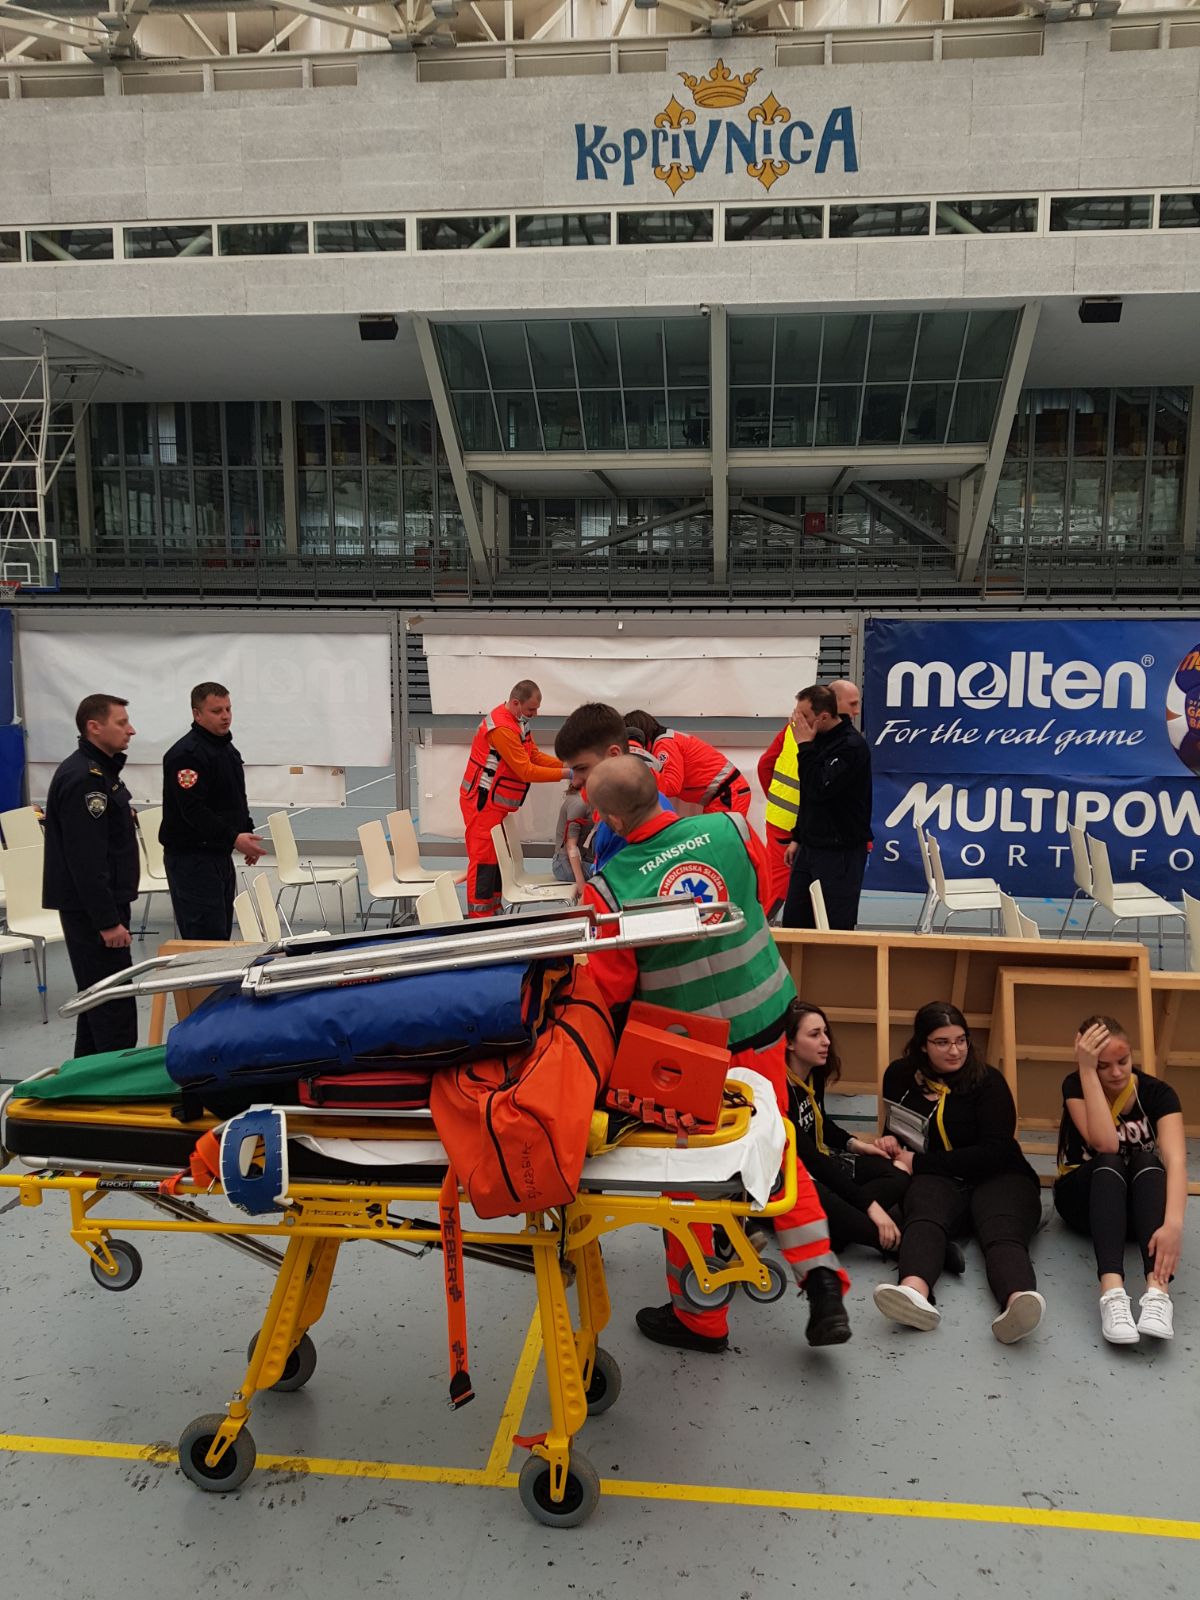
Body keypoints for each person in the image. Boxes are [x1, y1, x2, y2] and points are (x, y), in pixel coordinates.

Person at [582, 755, 851, 1353]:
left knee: (690, 1178)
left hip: (691, 1056)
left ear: (611, 820)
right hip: (765, 1024)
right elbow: (762, 894)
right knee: (775, 1146)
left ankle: (700, 1319)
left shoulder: (610, 888)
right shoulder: (728, 827)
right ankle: (822, 1277)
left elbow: (611, 990)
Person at [872, 1002, 1045, 1343]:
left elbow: (994, 1152)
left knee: (1002, 1232)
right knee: (924, 1217)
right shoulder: (900, 1075)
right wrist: (891, 1141)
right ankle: (913, 1293)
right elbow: (900, 1127)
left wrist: (919, 1164)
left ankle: (1018, 1303)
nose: (955, 1050)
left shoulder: (989, 1083)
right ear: (922, 1044)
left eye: (961, 1040)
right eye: (942, 1042)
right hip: (939, 1179)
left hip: (999, 1175)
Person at [1053, 1016, 1184, 1343]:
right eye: (1103, 1065)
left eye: (1123, 1061)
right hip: (1084, 1202)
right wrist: (1086, 1071)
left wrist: (1173, 1226)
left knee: (1148, 1162)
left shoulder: (1158, 1093)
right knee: (1110, 1161)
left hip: (1136, 1214)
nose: (1115, 1072)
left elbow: (1177, 1162)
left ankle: (1158, 1294)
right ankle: (1112, 1293)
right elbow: (1106, 1144)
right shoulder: (1075, 1084)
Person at [42, 694, 140, 1058]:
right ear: (94, 727)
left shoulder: (100, 772)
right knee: (113, 1011)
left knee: (96, 1004)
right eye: (121, 723)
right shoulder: (86, 779)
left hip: (99, 908)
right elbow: (86, 860)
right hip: (94, 914)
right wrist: (107, 922)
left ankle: (83, 1082)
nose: (131, 730)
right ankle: (113, 1087)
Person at [784, 999, 910, 1258]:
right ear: (789, 1043)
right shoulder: (778, 1091)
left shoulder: (812, 1074)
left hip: (822, 1162)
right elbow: (811, 1159)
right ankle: (908, 1247)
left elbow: (820, 1122)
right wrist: (872, 1207)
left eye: (825, 1032)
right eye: (815, 1034)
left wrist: (857, 1145)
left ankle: (837, 1227)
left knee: (896, 1174)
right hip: (790, 1178)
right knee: (827, 1198)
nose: (826, 1041)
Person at [160, 681, 265, 940]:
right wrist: (234, 838)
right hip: (192, 861)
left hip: (218, 855)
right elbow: (193, 810)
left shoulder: (226, 748)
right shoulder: (187, 755)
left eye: (228, 709)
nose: (226, 716)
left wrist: (245, 832)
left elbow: (235, 798)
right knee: (205, 940)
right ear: (197, 714)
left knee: (219, 935)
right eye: (217, 711)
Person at [459, 679, 566, 918]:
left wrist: (566, 765)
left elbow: (533, 755)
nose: (535, 714)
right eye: (531, 709)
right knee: (483, 860)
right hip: (481, 803)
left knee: (495, 858)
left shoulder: (518, 723)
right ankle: (480, 919)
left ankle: (493, 911)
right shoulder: (503, 729)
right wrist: (568, 773)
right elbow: (526, 770)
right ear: (516, 703)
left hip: (493, 803)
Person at [781, 683, 873, 931]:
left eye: (803, 715)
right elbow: (807, 797)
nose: (797, 721)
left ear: (823, 717)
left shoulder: (850, 746)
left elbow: (819, 789)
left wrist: (804, 747)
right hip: (810, 846)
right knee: (794, 922)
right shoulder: (816, 738)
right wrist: (798, 837)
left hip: (840, 850)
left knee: (835, 926)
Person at [553, 703, 672, 875]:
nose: (576, 781)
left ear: (614, 755)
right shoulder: (617, 810)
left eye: (582, 768)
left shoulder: (628, 820)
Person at [624, 710, 752, 817]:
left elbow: (672, 786)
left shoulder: (664, 744)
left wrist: (641, 784)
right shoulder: (665, 740)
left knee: (721, 839)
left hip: (728, 794)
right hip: (726, 794)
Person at [757, 695, 804, 918]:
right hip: (796, 822)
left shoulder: (791, 729)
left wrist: (776, 798)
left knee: (774, 880)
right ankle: (759, 927)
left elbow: (765, 765)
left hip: (780, 819)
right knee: (779, 884)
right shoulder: (821, 734)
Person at [550, 782, 592, 897]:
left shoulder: (585, 800)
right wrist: (581, 884)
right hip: (564, 865)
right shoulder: (579, 804)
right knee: (611, 874)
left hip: (573, 861)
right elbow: (571, 846)